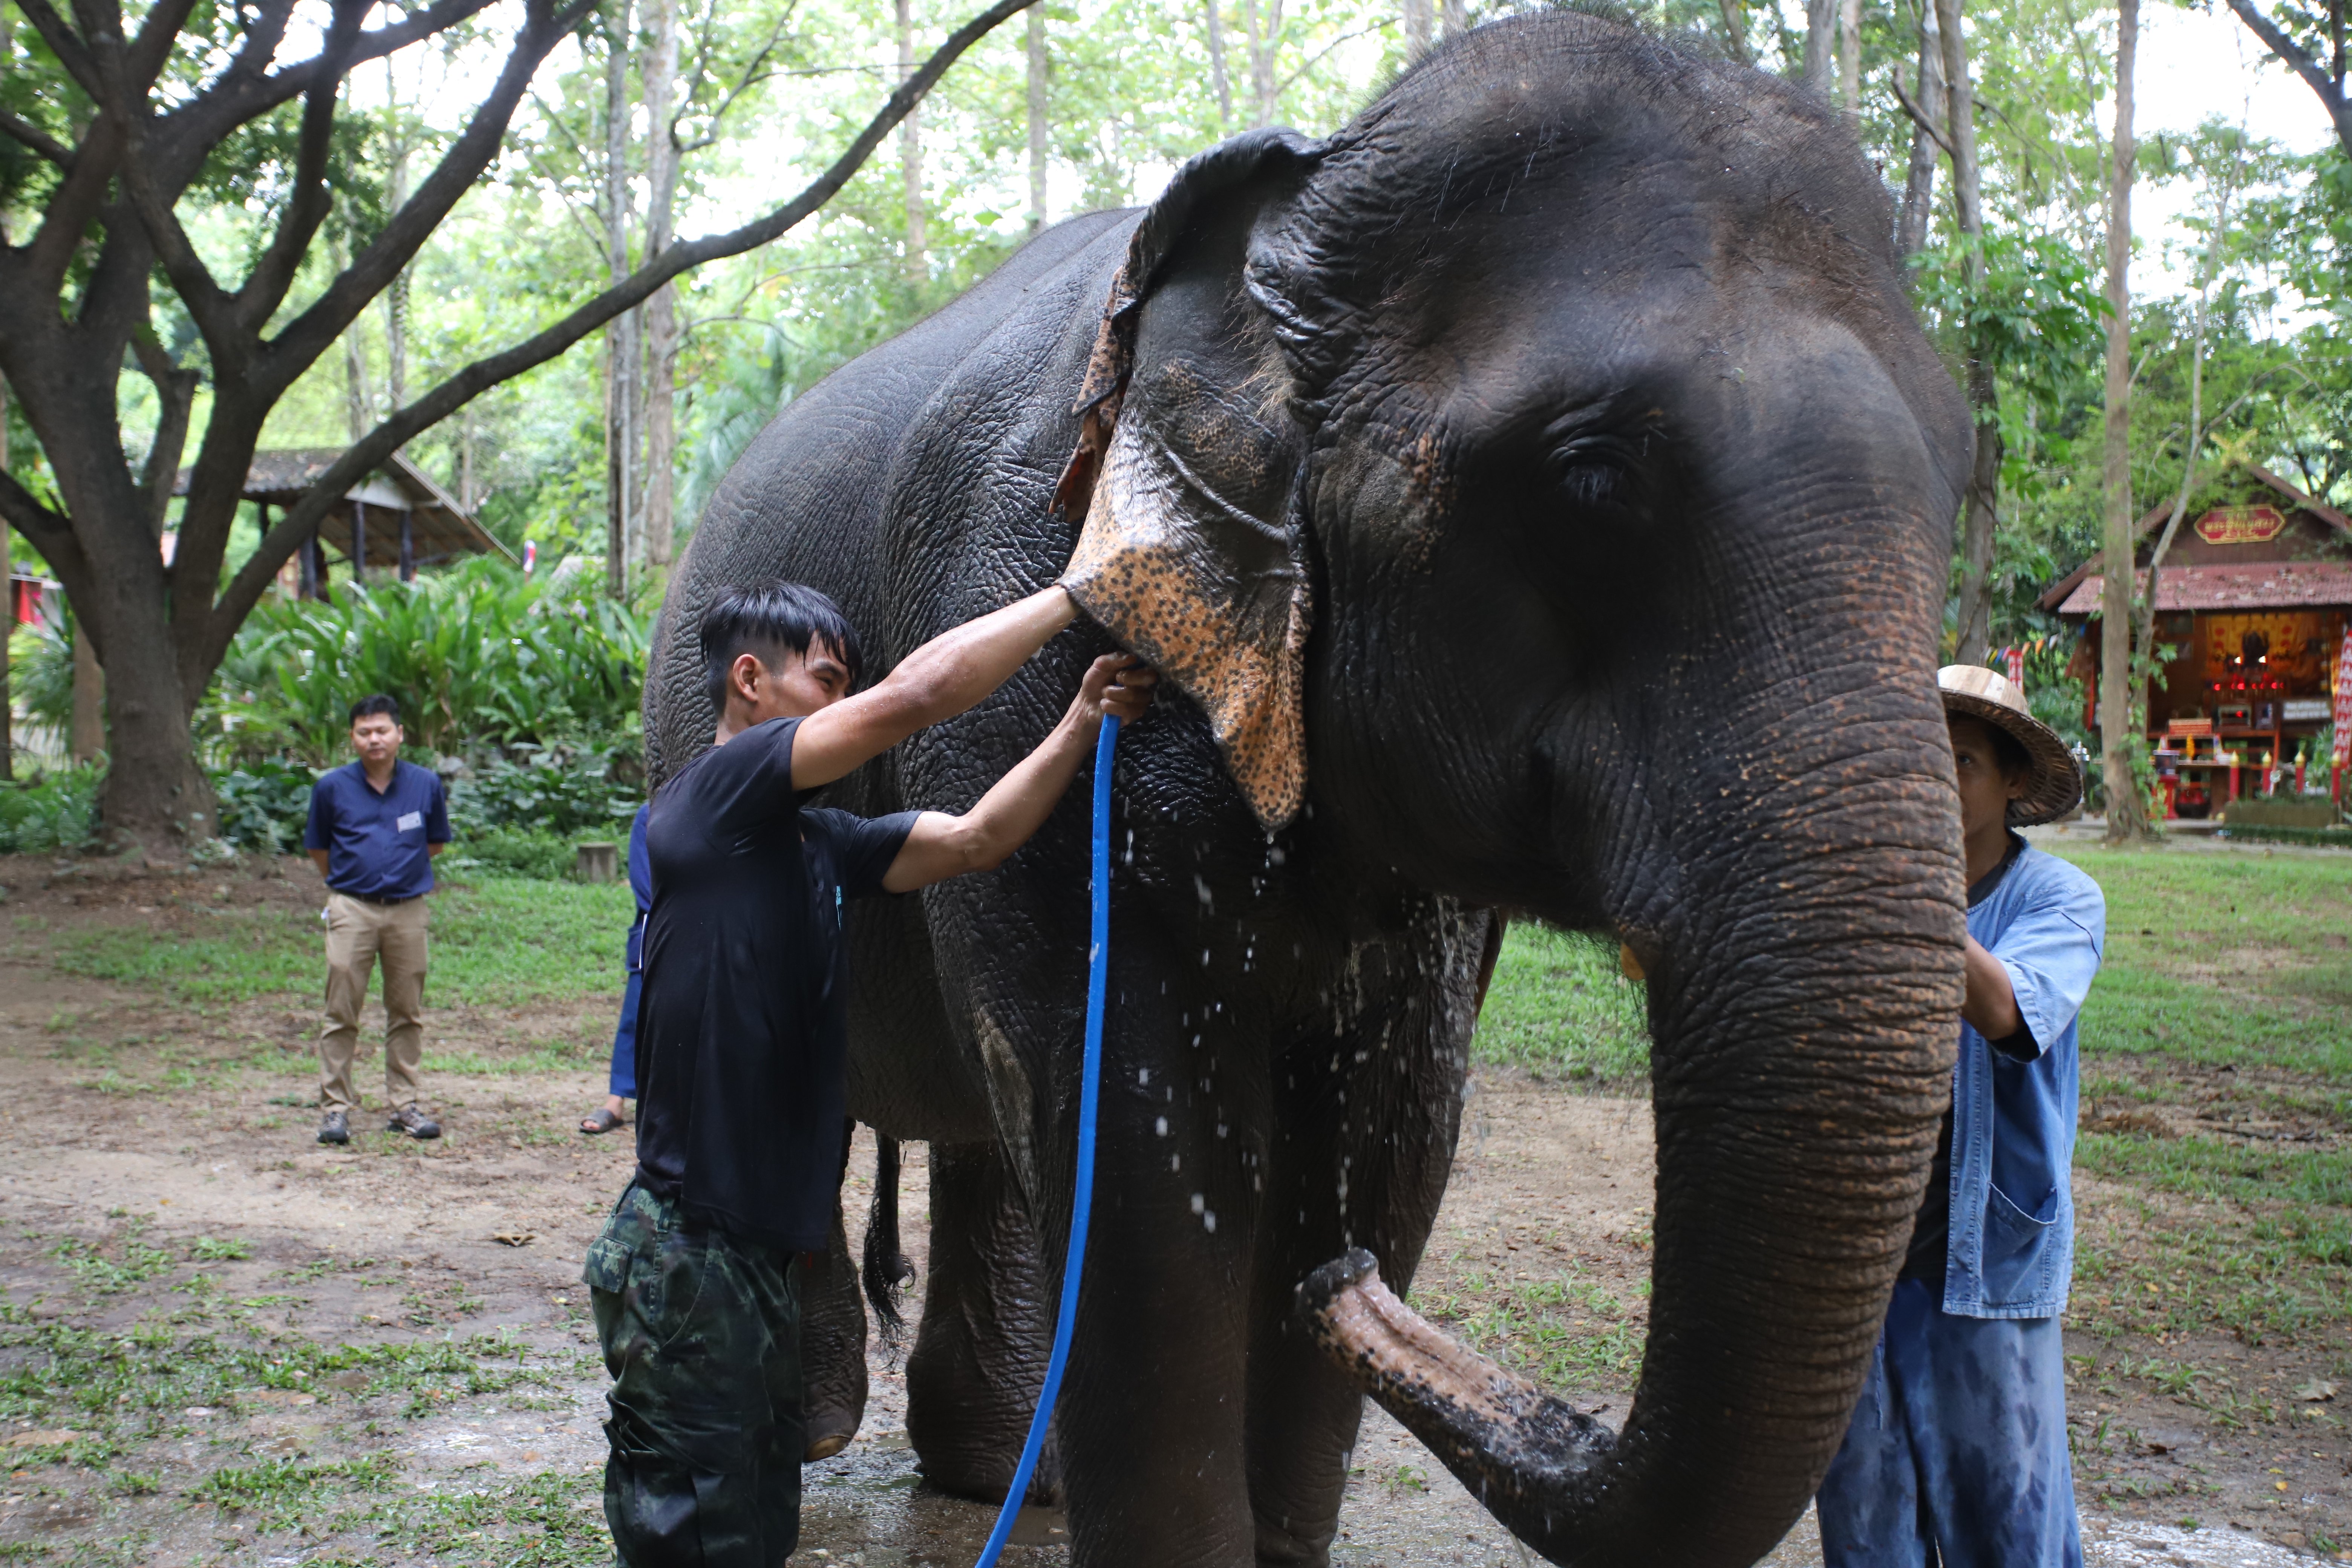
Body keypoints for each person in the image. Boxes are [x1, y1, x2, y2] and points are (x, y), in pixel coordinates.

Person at [582, 580, 1153, 1565]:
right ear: (751, 682)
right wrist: (1076, 594)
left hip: (753, 1254)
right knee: (688, 1536)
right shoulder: (714, 799)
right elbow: (913, 701)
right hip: (689, 1253)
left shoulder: (810, 844)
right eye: (828, 679)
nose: (847, 702)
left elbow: (977, 839)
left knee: (752, 1528)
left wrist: (1077, 722)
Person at [1815, 664, 2107, 1568]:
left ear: (2014, 783)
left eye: (1963, 762)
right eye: (1918, 761)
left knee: (2007, 1528)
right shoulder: (1852, 889)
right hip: (1857, 1265)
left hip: (1984, 1260)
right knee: (1865, 1526)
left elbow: (2007, 1013)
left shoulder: (2060, 900)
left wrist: (1901, 877)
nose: (1936, 782)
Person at [303, 694, 452, 1145]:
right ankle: (335, 1110)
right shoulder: (331, 788)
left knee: (406, 1010)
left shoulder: (425, 784)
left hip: (408, 909)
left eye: (382, 730)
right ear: (352, 737)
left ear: (400, 734)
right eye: (365, 731)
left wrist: (397, 875)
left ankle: (404, 1105)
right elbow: (318, 848)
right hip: (352, 907)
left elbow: (436, 842)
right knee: (341, 1010)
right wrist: (352, 884)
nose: (374, 739)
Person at [580, 802, 651, 1136]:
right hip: (657, 932)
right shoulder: (650, 814)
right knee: (636, 1016)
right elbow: (645, 885)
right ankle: (616, 1101)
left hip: (713, 931)